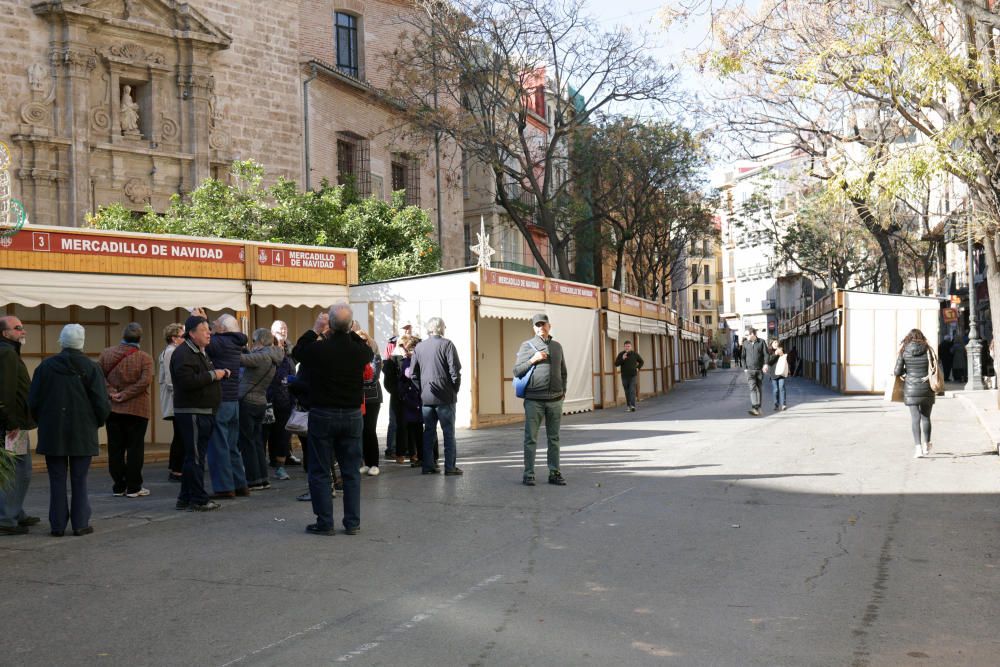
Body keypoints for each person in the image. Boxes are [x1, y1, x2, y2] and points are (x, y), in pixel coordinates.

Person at [292, 304, 371, 536]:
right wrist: (350, 331)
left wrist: (316, 329)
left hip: (322, 414)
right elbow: (365, 348)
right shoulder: (359, 352)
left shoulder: (319, 350)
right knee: (350, 471)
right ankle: (352, 522)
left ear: (330, 325)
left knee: (319, 470)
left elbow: (298, 351)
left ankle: (325, 522)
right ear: (349, 326)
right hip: (351, 415)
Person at [28, 324, 111, 536]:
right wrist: (96, 422)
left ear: (61, 342)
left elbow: (33, 402)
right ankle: (80, 523)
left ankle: (57, 525)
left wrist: (44, 422)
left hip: (52, 431)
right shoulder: (92, 368)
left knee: (56, 479)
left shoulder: (44, 367)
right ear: (82, 342)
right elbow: (102, 403)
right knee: (79, 479)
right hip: (83, 430)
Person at [171, 315, 226, 512]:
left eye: (209, 330)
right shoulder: (183, 353)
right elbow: (187, 382)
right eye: (204, 330)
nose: (209, 333)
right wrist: (214, 375)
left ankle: (185, 497)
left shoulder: (198, 351)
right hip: (192, 412)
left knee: (192, 457)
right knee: (195, 458)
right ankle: (198, 499)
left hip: (203, 411)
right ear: (192, 333)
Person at [100, 322, 154, 499]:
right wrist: (126, 394)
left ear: (122, 335)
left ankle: (118, 485)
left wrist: (112, 392)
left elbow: (98, 376)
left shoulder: (106, 354)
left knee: (115, 449)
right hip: (137, 409)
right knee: (134, 449)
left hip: (113, 408)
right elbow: (145, 381)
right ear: (140, 338)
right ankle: (133, 486)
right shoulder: (144, 357)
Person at [513, 313, 567, 487]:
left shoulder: (557, 346)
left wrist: (563, 391)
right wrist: (532, 359)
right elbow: (517, 371)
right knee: (531, 438)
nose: (540, 327)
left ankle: (554, 472)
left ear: (549, 326)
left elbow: (563, 371)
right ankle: (528, 474)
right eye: (537, 325)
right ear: (533, 328)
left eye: (543, 324)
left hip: (555, 400)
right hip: (534, 401)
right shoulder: (527, 346)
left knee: (554, 438)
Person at [0, 315, 39, 536]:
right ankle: (6, 518)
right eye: (18, 328)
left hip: (11, 423)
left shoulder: (8, 351)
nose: (23, 331)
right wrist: (11, 423)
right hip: (12, 426)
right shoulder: (6, 353)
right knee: (19, 471)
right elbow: (4, 391)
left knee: (12, 470)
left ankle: (16, 512)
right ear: (6, 333)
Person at [205, 313, 250, 499]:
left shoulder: (220, 342)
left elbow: (201, 339)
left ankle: (224, 487)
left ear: (223, 329)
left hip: (220, 399)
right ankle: (240, 484)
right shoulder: (236, 342)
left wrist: (202, 320)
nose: (211, 329)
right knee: (231, 445)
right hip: (233, 400)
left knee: (218, 445)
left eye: (215, 325)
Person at [411, 317, 463, 476]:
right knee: (448, 433)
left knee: (429, 432)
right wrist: (454, 389)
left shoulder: (419, 347)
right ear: (441, 328)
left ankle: (428, 466)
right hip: (445, 396)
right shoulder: (447, 344)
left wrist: (422, 389)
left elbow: (413, 374)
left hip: (427, 395)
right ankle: (450, 467)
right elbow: (455, 371)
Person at [239, 328, 284, 491]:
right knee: (257, 441)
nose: (252, 344)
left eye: (253, 340)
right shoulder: (273, 356)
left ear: (260, 341)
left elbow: (239, 360)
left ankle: (253, 479)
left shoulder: (261, 356)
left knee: (248, 442)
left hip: (248, 401)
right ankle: (263, 478)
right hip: (261, 401)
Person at [894, 328, 936, 458]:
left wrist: (907, 371)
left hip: (911, 388)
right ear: (921, 337)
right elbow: (935, 367)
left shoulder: (904, 350)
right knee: (926, 417)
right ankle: (926, 445)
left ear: (908, 338)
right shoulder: (928, 349)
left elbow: (897, 372)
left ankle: (918, 448)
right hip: (927, 387)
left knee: (915, 418)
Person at [265, 320, 295, 478]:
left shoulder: (289, 350)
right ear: (272, 332)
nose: (283, 331)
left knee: (283, 434)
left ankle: (280, 465)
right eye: (279, 329)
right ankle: (268, 463)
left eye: (285, 328)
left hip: (286, 399)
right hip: (269, 398)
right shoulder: (267, 350)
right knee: (268, 433)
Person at [159, 323, 185, 483]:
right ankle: (176, 470)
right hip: (175, 399)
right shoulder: (170, 352)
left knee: (179, 435)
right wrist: (180, 395)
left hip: (175, 397)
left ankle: (175, 467)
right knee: (180, 435)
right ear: (174, 338)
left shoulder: (171, 351)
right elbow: (170, 379)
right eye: (182, 336)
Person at [382, 321, 413, 460]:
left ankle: (410, 450)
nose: (407, 330)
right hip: (397, 394)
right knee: (395, 422)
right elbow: (387, 374)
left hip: (411, 394)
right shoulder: (391, 345)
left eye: (408, 328)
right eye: (404, 328)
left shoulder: (415, 344)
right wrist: (396, 391)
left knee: (411, 422)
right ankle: (392, 449)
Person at [398, 336, 428, 468]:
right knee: (411, 430)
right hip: (410, 399)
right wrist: (403, 393)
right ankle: (414, 456)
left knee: (422, 431)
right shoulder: (406, 361)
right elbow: (402, 379)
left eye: (412, 348)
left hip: (420, 398)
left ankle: (424, 457)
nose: (409, 351)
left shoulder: (423, 360)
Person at [357, 331, 383, 476]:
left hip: (372, 398)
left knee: (369, 430)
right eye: (359, 341)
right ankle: (364, 463)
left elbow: (372, 377)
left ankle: (374, 463)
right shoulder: (354, 357)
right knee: (359, 431)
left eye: (365, 340)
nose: (362, 343)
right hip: (358, 398)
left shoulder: (375, 357)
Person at [741, 329, 768, 416]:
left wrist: (765, 364)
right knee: (752, 389)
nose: (746, 336)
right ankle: (754, 407)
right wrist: (745, 368)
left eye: (747, 335)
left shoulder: (762, 342)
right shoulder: (745, 343)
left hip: (759, 370)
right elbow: (743, 357)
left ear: (752, 334)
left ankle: (758, 407)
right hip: (749, 371)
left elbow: (766, 354)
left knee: (759, 388)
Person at [613, 340, 644, 412]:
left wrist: (638, 368)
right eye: (626, 346)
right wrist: (622, 359)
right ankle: (628, 406)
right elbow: (616, 364)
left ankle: (633, 406)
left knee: (632, 390)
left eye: (628, 346)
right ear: (624, 347)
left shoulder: (634, 354)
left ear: (631, 347)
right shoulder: (621, 354)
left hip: (633, 375)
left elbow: (641, 361)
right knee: (627, 391)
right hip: (624, 376)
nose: (627, 347)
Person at [767, 339, 790, 411]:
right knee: (776, 390)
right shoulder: (769, 352)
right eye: (774, 342)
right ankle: (776, 404)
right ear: (771, 344)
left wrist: (782, 354)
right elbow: (769, 362)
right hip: (773, 373)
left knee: (782, 387)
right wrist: (775, 354)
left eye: (777, 342)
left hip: (781, 372)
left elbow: (786, 359)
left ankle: (783, 404)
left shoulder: (782, 350)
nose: (776, 344)